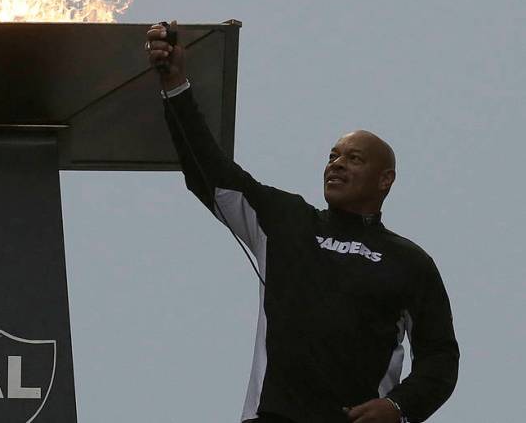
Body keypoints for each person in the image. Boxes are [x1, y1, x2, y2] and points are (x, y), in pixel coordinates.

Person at [145, 22, 458, 423]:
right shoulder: (285, 220)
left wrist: (399, 407)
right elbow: (211, 172)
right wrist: (175, 84)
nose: (337, 164)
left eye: (354, 158)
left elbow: (441, 358)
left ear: (385, 179)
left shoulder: (410, 261)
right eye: (333, 156)